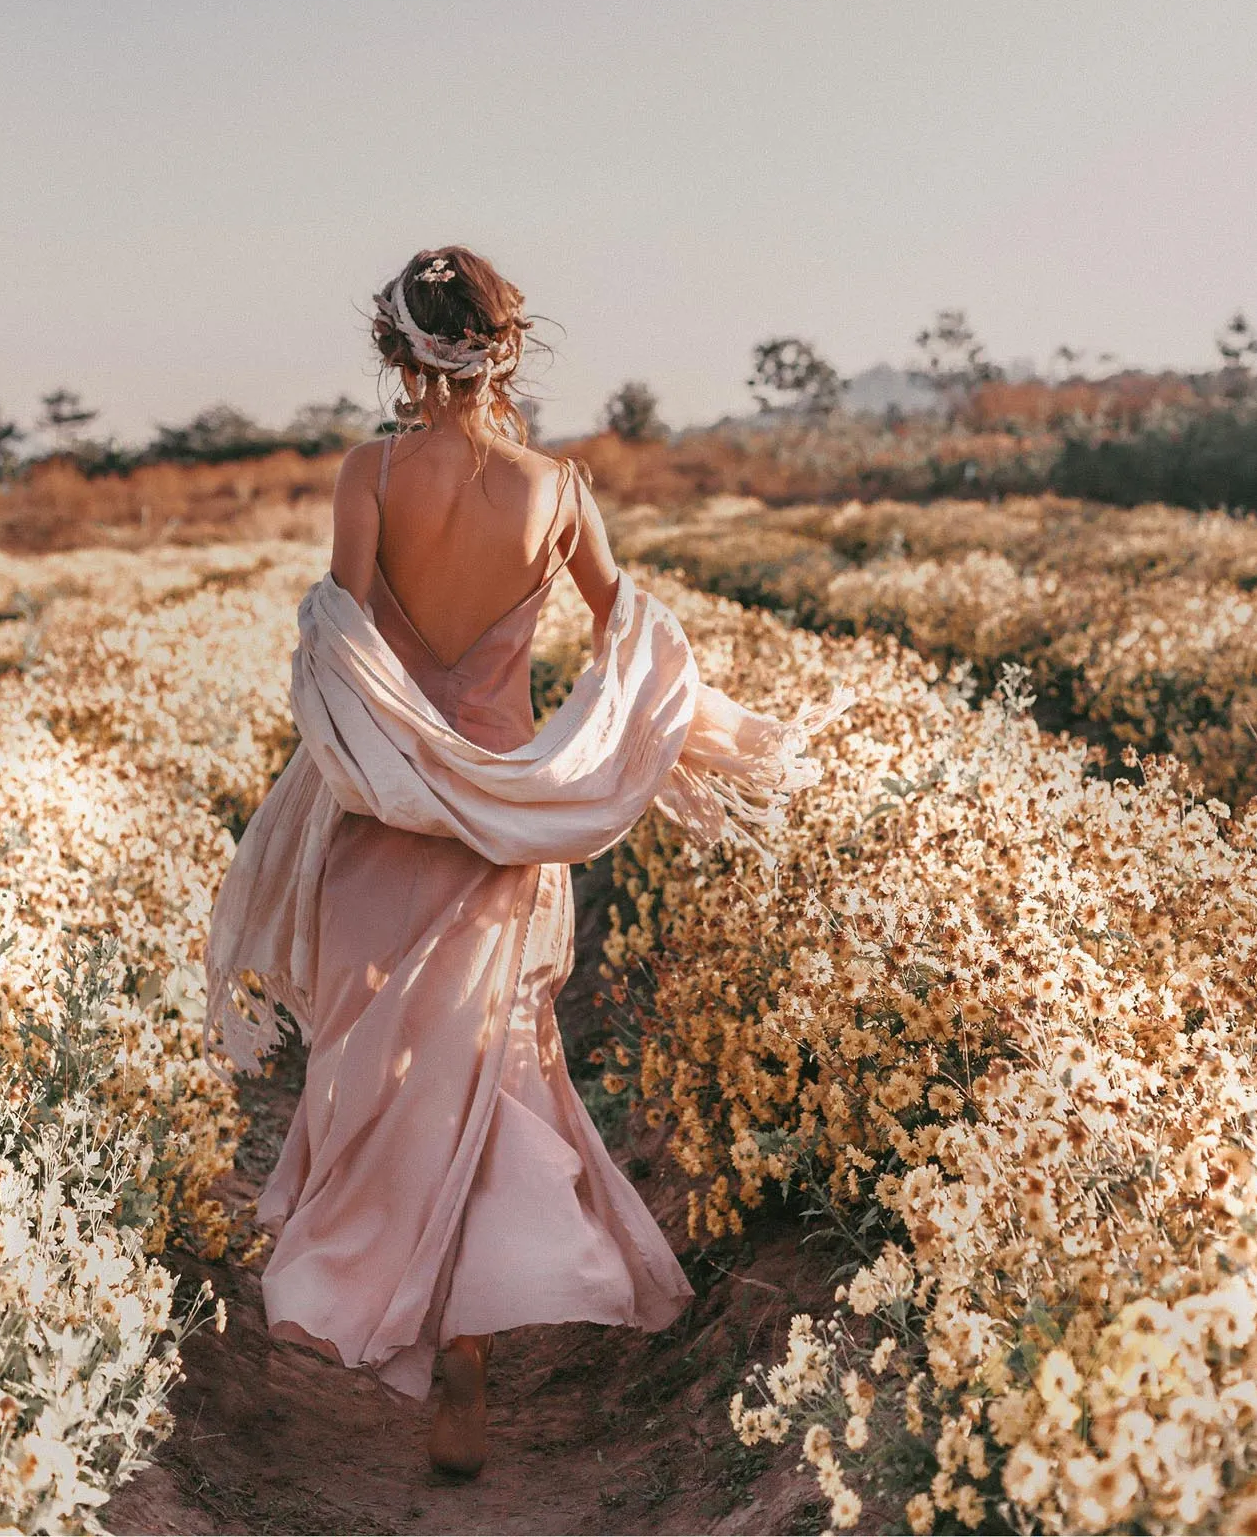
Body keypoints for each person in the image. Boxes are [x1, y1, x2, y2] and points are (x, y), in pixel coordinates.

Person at [203, 245, 851, 1480]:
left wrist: (400, 756)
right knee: (492, 1064)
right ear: (506, 347)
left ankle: (380, 1298)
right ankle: (466, 1350)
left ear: (398, 349)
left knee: (370, 1068)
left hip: (384, 823)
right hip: (503, 835)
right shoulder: (556, 490)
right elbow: (633, 636)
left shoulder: (367, 473)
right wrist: (602, 750)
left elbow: (346, 656)